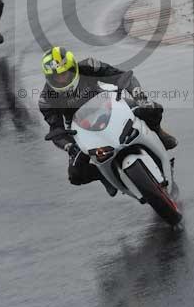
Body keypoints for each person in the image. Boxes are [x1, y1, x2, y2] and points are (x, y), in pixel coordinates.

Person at [39, 46, 178, 196]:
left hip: (109, 106)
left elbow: (122, 76)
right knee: (75, 174)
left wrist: (139, 96)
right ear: (49, 78)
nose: (62, 78)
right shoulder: (46, 99)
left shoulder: (89, 66)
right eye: (57, 77)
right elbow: (55, 130)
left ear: (73, 67)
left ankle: (159, 133)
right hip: (81, 128)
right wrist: (69, 147)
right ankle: (103, 175)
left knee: (152, 109)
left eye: (65, 73)